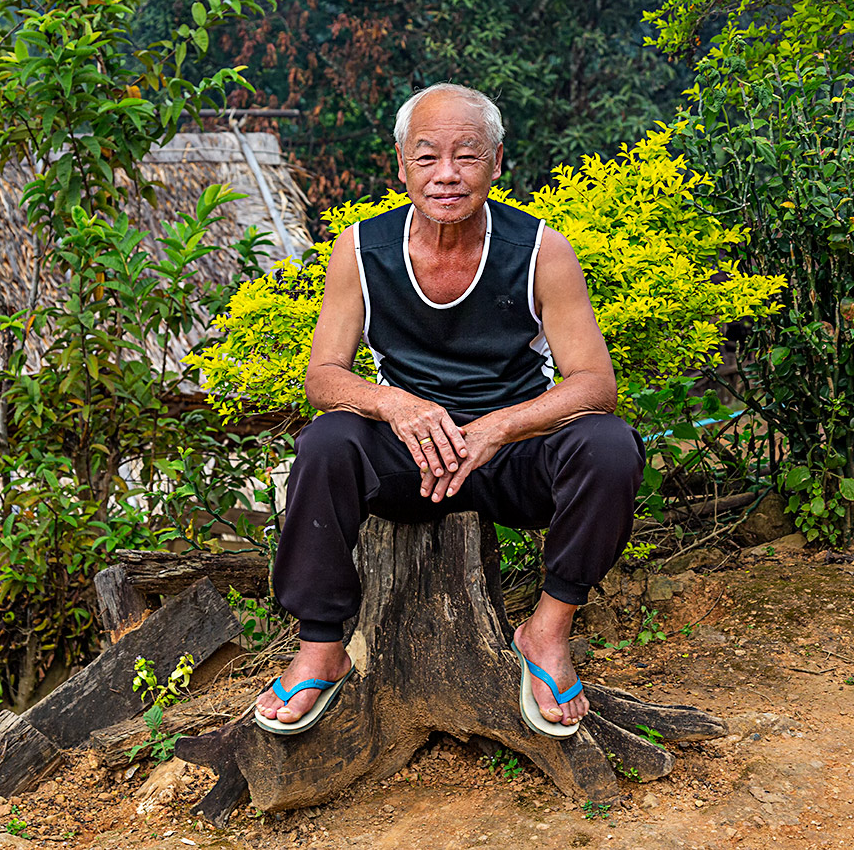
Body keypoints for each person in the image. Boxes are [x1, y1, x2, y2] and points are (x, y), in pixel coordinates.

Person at [254, 83, 644, 738]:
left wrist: (500, 426)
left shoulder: (542, 250)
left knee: (608, 445)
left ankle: (547, 631)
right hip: (410, 456)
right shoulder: (360, 250)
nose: (446, 174)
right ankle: (321, 643)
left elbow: (594, 384)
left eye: (466, 155)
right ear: (400, 163)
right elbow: (322, 377)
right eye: (427, 155)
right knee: (327, 442)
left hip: (512, 456)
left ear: (497, 162)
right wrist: (392, 402)